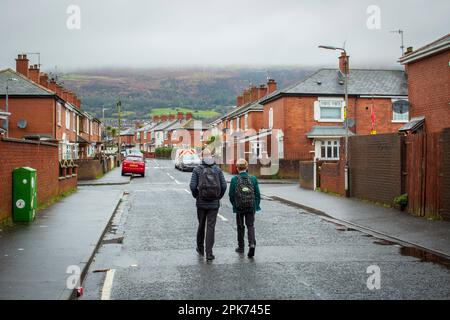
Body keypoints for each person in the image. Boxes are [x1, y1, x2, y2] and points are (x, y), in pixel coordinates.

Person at [189, 148, 227, 261]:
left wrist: (197, 196)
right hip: (214, 203)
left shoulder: (197, 169)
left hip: (201, 202)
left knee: (201, 224)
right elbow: (224, 186)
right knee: (211, 227)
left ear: (202, 157)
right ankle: (209, 253)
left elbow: (192, 186)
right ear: (211, 157)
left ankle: (200, 249)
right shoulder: (217, 170)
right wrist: (218, 197)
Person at [229, 159, 261, 258]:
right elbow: (258, 194)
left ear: (237, 168)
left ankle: (241, 247)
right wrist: (255, 205)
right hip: (251, 207)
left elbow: (231, 195)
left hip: (239, 207)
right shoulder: (253, 179)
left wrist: (235, 204)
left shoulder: (235, 179)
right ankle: (252, 244)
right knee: (250, 225)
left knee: (240, 226)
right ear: (247, 167)